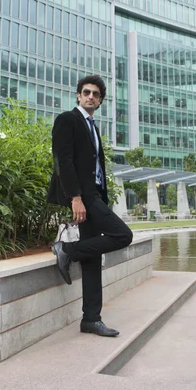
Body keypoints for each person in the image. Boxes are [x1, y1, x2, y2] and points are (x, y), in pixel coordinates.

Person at [47, 75, 133, 337]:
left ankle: (91, 319)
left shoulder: (93, 126)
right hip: (83, 196)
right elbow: (64, 160)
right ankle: (67, 249)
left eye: (96, 94)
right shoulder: (68, 120)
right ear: (78, 95)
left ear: (100, 100)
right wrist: (75, 198)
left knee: (93, 258)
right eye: (86, 92)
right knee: (123, 235)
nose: (91, 97)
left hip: (95, 194)